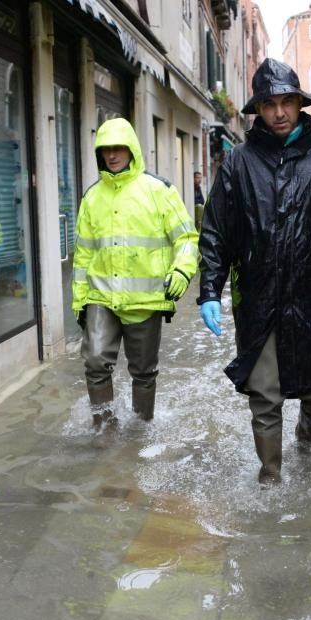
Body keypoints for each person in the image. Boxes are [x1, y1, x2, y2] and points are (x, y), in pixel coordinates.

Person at [197, 58, 311, 484]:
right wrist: (209, 290)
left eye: (286, 102)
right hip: (259, 299)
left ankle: (307, 432)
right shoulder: (239, 164)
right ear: (257, 111)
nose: (278, 112)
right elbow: (216, 233)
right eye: (268, 104)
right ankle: (270, 477)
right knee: (264, 392)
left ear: (299, 105)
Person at [72, 117, 200, 430]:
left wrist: (182, 272)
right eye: (105, 150)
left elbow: (186, 239)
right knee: (95, 362)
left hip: (146, 299)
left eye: (118, 148)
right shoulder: (91, 197)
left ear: (131, 149)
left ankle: (142, 431)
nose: (112, 155)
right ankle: (105, 429)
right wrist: (79, 303)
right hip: (101, 295)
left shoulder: (159, 191)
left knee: (143, 371)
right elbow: (83, 254)